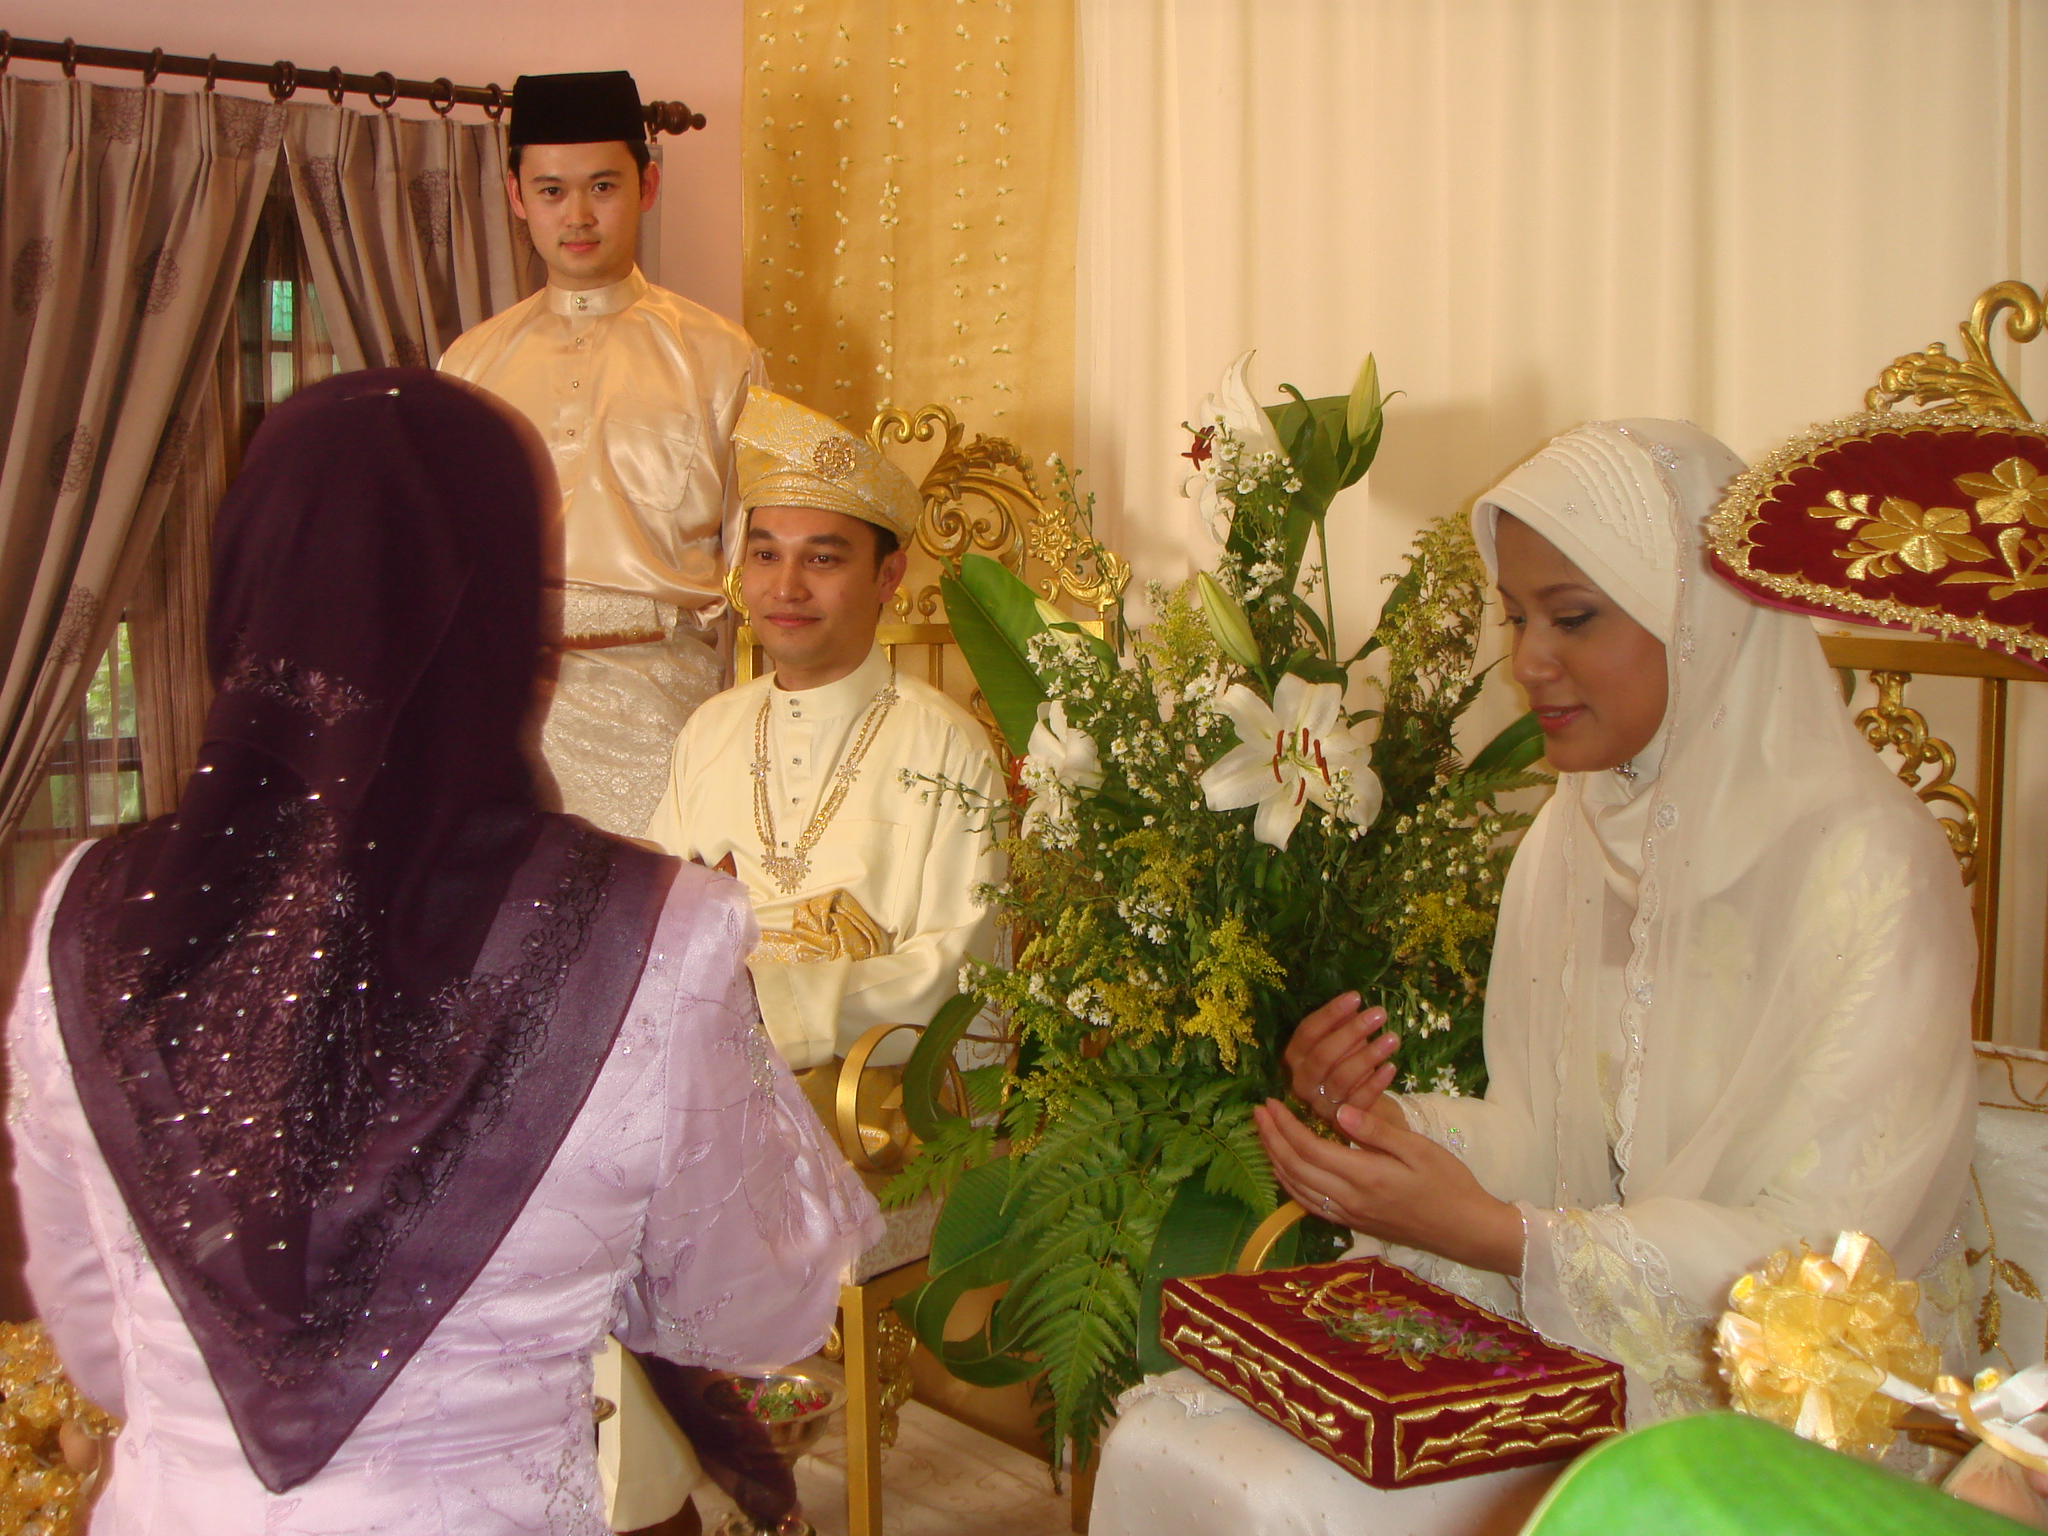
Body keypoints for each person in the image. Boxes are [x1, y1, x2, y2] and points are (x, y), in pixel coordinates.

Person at [8, 371, 878, 1533]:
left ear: (244, 595)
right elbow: (754, 1311)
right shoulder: (647, 933)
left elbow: (92, 1331)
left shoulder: (88, 913)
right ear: (509, 613)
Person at [1091, 420, 1977, 1536]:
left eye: (1571, 617)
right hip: (1584, 1336)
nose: (1526, 662)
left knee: (1293, 1502)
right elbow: (1550, 1143)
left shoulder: (1867, 869)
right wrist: (1379, 1130)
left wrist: (1507, 1241)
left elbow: (1832, 1267)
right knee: (1169, 1437)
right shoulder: (1572, 836)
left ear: (1698, 620)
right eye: (1515, 617)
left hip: (1788, 1422)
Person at [439, 70, 765, 838]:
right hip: (509, 711)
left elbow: (751, 558)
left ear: (647, 185)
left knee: (655, 939)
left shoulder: (720, 356)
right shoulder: (469, 364)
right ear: (517, 196)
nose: (578, 215)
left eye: (603, 186)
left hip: (665, 712)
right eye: (551, 190)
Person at [645, 388, 1002, 1073]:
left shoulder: (946, 745)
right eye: (765, 556)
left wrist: (767, 1007)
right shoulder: (710, 730)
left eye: (823, 559)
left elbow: (956, 965)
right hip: (705, 1090)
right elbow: (659, 922)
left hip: (875, 1112)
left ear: (887, 576)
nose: (786, 589)